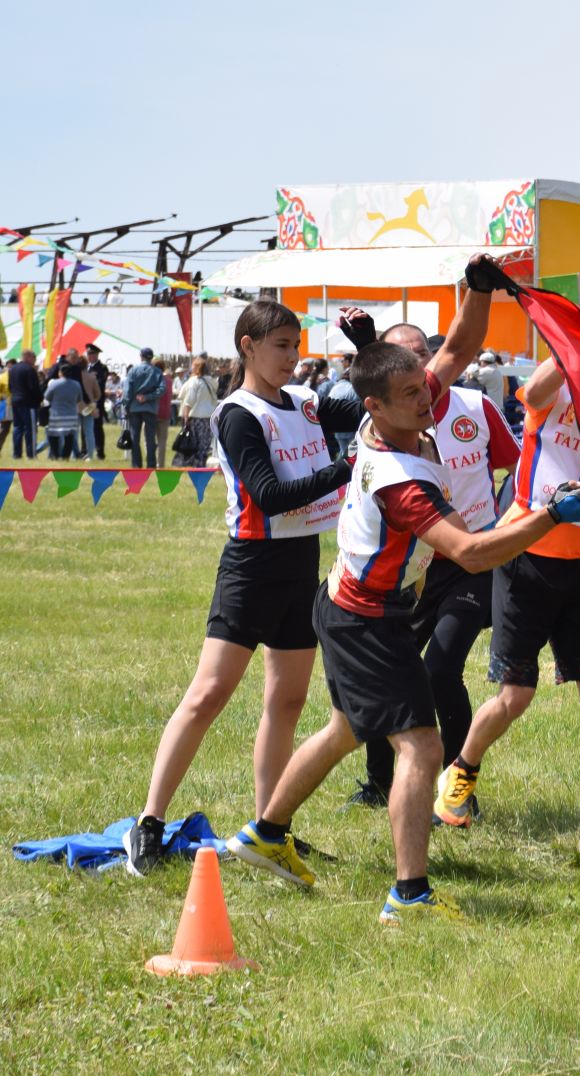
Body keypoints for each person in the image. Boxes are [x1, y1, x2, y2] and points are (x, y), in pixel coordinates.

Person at [123, 264, 499, 879]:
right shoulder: (238, 412)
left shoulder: (303, 401)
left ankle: (271, 828)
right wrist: (345, 468)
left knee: (289, 701)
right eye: (280, 347)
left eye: (297, 346)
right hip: (251, 564)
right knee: (208, 695)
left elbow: (370, 405)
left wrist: (364, 347)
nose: (292, 358)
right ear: (247, 348)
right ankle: (150, 820)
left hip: (305, 565)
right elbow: (270, 495)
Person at [221, 340, 580, 913]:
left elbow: (462, 343)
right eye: (411, 394)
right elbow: (470, 552)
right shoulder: (403, 483)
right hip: (365, 617)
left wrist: (479, 288)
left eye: (425, 386)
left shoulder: (398, 415)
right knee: (422, 746)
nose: (428, 400)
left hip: (349, 603)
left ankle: (264, 836)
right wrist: (548, 516)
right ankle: (410, 894)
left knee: (343, 731)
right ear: (375, 406)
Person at [433, 295, 580, 871]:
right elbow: (536, 390)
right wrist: (579, 343)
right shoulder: (554, 387)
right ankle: (461, 772)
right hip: (525, 555)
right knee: (513, 697)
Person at [339, 314, 520, 810]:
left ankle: (458, 789)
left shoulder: (474, 407)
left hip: (471, 561)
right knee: (392, 675)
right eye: (404, 355)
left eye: (422, 352)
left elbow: (519, 464)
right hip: (413, 571)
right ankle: (378, 783)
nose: (418, 363)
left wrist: (510, 519)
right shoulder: (381, 421)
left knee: (440, 670)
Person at [123, 346, 166, 468]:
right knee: (150, 438)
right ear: (151, 357)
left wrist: (126, 406)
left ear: (141, 356)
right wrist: (148, 397)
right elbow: (162, 389)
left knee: (134, 437)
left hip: (135, 408)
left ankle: (136, 464)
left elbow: (127, 391)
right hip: (150, 408)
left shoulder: (133, 371)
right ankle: (151, 464)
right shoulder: (157, 372)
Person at [174, 355, 218, 465]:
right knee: (205, 444)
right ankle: (202, 463)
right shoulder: (212, 381)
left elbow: (188, 401)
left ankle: (197, 465)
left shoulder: (195, 382)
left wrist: (185, 417)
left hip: (196, 416)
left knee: (195, 443)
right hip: (209, 416)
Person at [43, 361, 85, 460]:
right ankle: (66, 456)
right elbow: (79, 399)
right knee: (69, 437)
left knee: (53, 436)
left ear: (60, 372)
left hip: (56, 415)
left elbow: (47, 398)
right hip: (71, 415)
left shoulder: (54, 384)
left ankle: (56, 455)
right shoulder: (76, 384)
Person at [6, 349, 42, 459]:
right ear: (28, 357)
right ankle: (31, 454)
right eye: (34, 358)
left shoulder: (12, 369)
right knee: (30, 429)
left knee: (17, 428)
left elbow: (10, 387)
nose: (34, 361)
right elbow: (34, 388)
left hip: (16, 401)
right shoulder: (29, 370)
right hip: (28, 403)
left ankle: (17, 454)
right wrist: (40, 400)